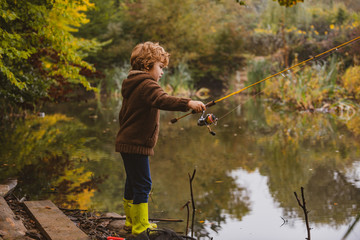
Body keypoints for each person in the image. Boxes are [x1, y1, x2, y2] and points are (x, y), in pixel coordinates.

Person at [115, 41, 205, 235]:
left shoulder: (132, 84)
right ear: (148, 66)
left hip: (127, 142)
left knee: (133, 183)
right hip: (135, 144)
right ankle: (140, 227)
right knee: (144, 184)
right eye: (160, 67)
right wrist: (188, 102)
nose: (162, 72)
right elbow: (162, 99)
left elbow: (122, 116)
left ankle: (132, 223)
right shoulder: (147, 84)